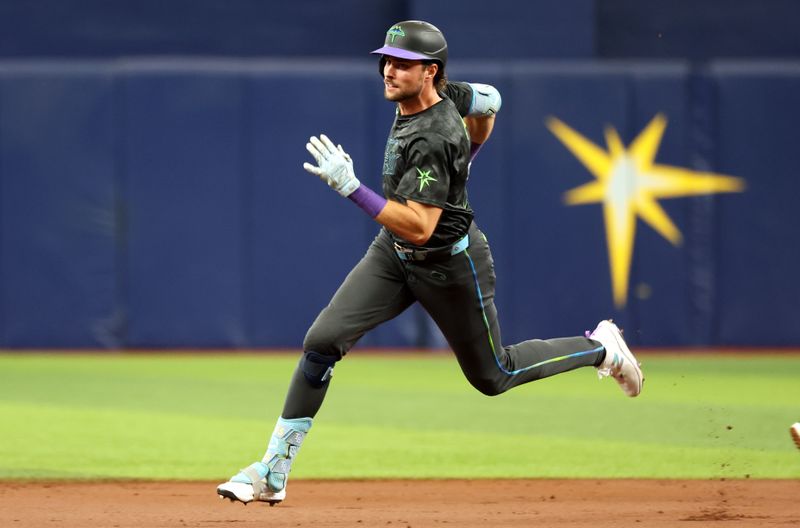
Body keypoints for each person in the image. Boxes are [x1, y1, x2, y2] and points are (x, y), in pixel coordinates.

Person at [217, 20, 644, 506]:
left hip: (449, 264)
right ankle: (273, 471)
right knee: (322, 342)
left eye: (403, 64)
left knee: (493, 376)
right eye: (387, 60)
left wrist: (352, 189)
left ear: (430, 72)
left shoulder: (435, 134)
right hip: (394, 254)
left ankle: (601, 348)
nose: (389, 70)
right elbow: (491, 101)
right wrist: (469, 157)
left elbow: (421, 226)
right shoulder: (449, 95)